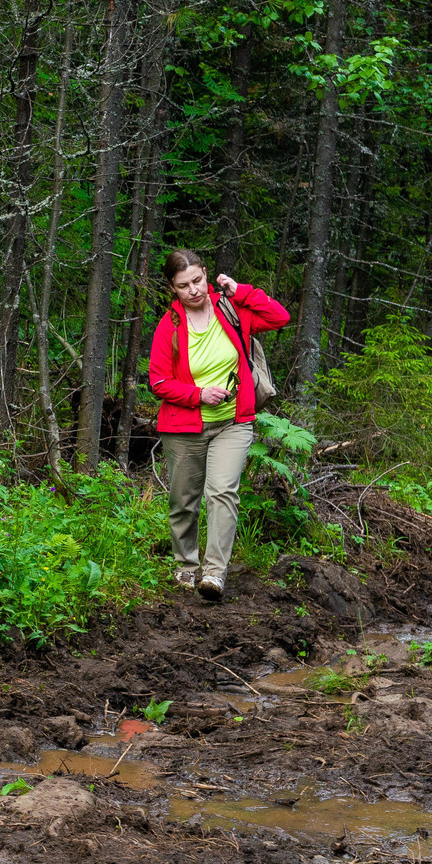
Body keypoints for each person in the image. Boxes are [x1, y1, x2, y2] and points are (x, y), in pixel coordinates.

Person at [146, 249, 288, 601]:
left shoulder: (230, 307)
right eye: (184, 285)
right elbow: (158, 382)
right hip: (184, 426)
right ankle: (186, 565)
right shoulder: (170, 326)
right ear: (173, 288)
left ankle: (214, 573)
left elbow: (280, 317)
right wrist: (198, 394)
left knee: (222, 491)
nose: (193, 290)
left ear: (206, 274)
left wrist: (242, 291)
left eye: (198, 280)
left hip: (232, 422)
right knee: (183, 501)